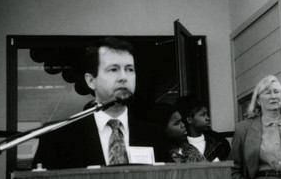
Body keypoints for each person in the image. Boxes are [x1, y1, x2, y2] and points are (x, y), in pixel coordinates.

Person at [33, 37, 159, 169]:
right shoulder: (58, 137)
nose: (124, 77)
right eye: (113, 69)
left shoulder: (154, 135)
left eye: (129, 69)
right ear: (91, 81)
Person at [174, 94, 231, 162]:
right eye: (202, 115)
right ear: (189, 120)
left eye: (207, 114)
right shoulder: (177, 146)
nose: (208, 118)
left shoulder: (220, 142)